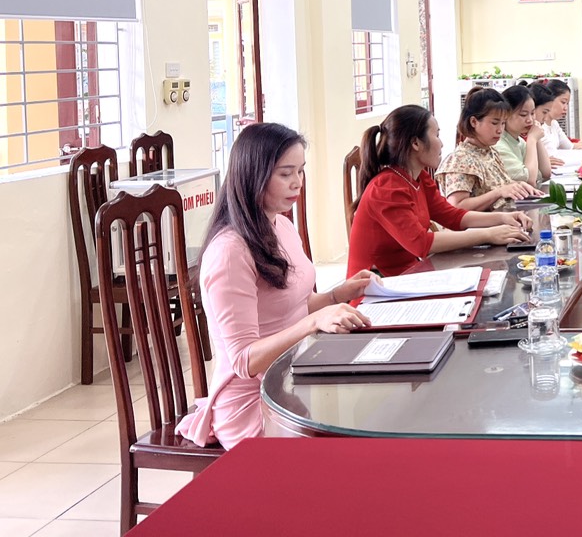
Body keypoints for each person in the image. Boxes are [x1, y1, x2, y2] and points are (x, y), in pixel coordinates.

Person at [178, 123, 377, 449]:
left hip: (293, 374)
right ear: (254, 175)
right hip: (253, 402)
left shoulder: (281, 225)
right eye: (286, 173)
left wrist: (337, 295)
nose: (297, 182)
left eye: (300, 171)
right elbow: (245, 360)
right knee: (352, 442)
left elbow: (294, 305)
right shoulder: (229, 252)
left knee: (372, 408)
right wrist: (314, 322)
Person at [347, 105, 530, 278]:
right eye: (437, 135)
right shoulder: (386, 188)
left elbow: (452, 216)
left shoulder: (419, 178)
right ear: (416, 143)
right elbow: (421, 244)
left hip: (408, 276)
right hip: (376, 287)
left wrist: (502, 218)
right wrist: (488, 234)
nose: (441, 144)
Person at [437, 87, 540, 210]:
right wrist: (499, 193)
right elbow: (457, 206)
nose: (500, 130)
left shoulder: (491, 152)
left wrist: (517, 185)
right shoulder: (460, 159)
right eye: (494, 123)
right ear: (474, 122)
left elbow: (498, 186)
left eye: (503, 123)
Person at [496, 83, 550, 183]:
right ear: (506, 115)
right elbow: (530, 180)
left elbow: (545, 173)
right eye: (523, 115)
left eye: (532, 113)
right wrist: (532, 139)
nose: (530, 120)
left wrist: (536, 138)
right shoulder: (498, 145)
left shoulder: (519, 141)